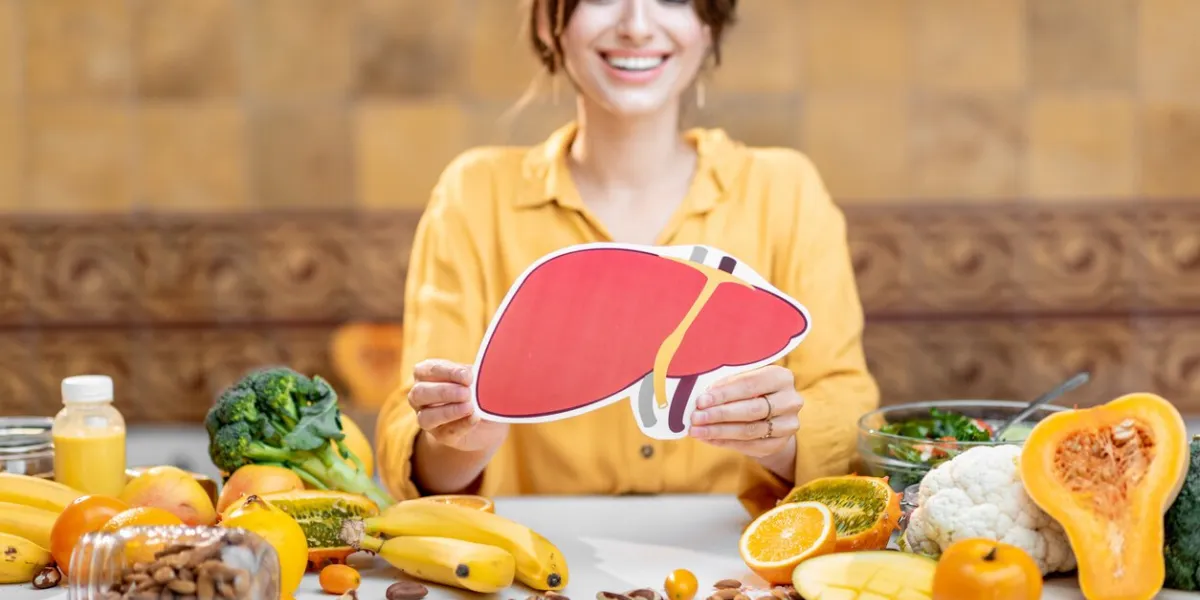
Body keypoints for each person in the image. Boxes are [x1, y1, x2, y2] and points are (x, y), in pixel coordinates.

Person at [376, 0, 879, 518]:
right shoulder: (473, 195)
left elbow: (847, 402)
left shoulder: (787, 190)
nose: (637, 26)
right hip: (539, 564)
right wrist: (462, 438)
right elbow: (416, 452)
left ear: (709, 24)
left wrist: (777, 440)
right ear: (550, 21)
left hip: (737, 561)